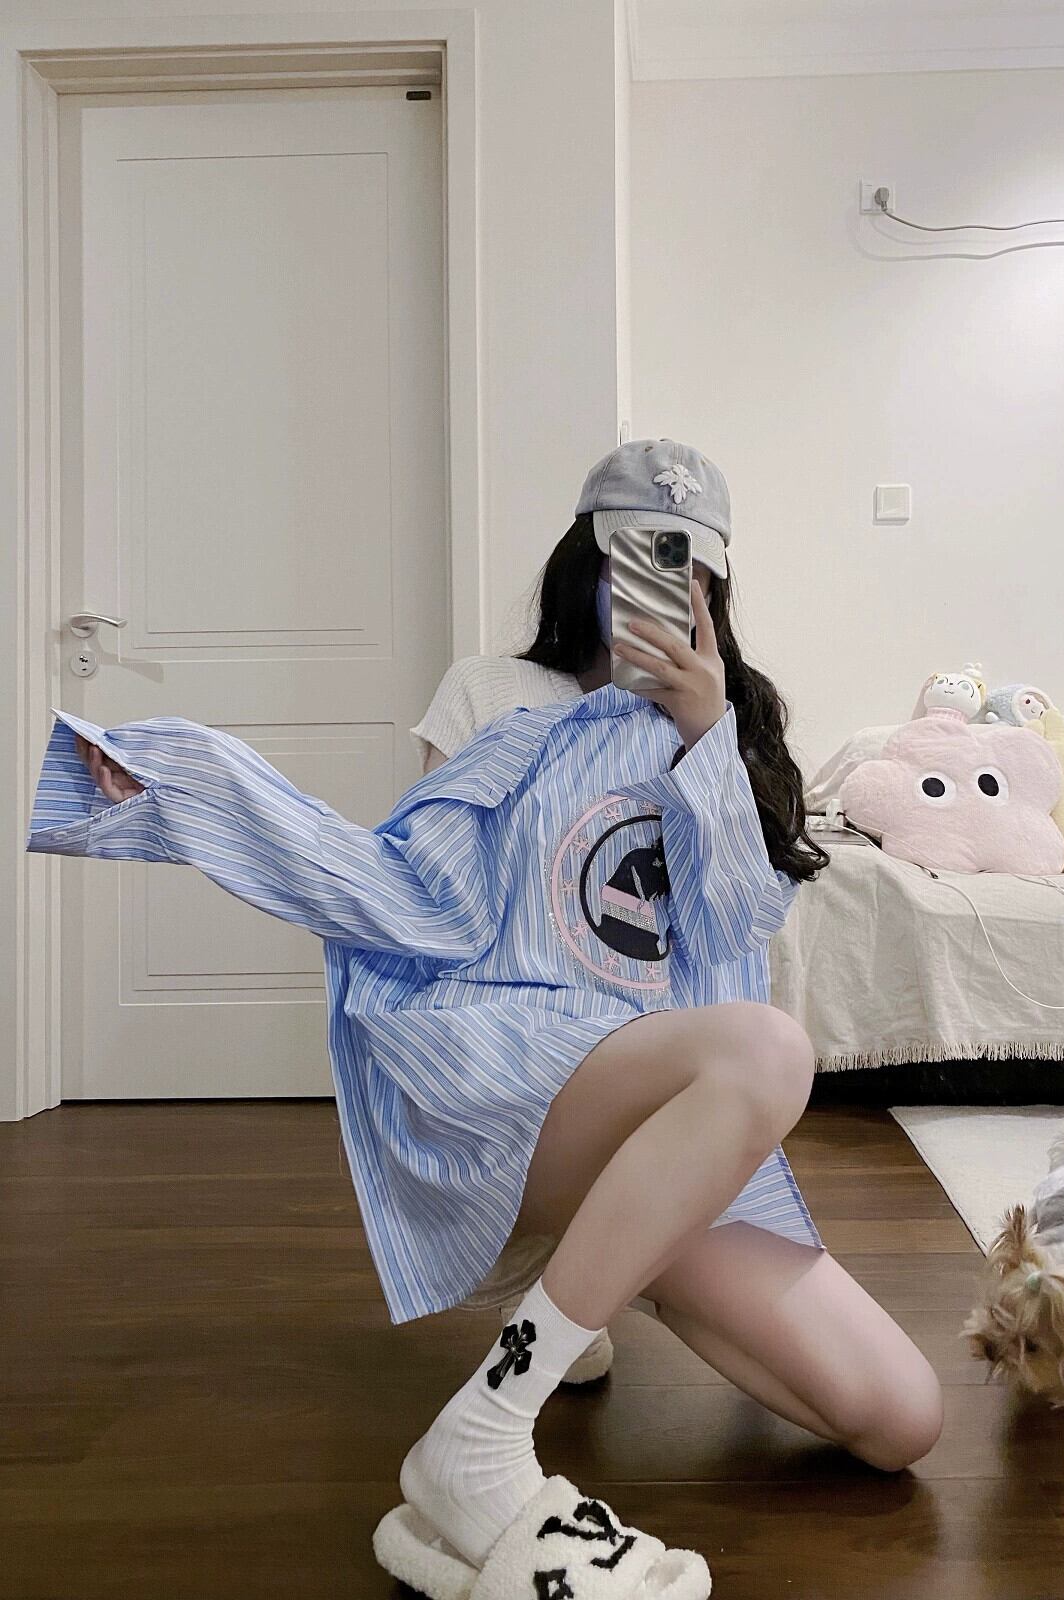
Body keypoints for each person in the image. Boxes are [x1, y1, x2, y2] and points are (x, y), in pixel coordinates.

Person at [29, 440, 942, 1597]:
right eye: (636, 557)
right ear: (583, 559)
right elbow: (408, 890)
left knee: (900, 1417)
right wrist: (193, 782)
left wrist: (705, 736)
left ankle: (619, 1248)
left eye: (688, 568)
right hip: (524, 1090)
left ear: (714, 584)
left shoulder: (729, 719)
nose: (660, 587)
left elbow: (732, 936)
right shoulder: (489, 694)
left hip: (671, 1099)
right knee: (768, 1051)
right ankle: (489, 1424)